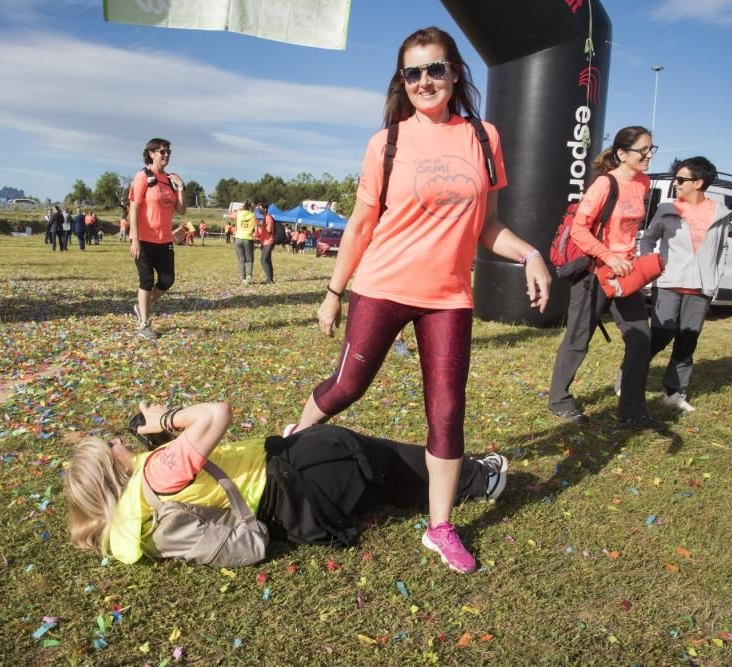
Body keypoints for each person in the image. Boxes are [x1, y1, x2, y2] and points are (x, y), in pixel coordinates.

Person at [284, 27, 549, 575]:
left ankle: (440, 527)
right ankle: (289, 449)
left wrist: (530, 254)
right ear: (401, 81)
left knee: (448, 413)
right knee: (346, 386)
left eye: (435, 69)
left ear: (454, 73)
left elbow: (488, 226)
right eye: (413, 73)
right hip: (380, 285)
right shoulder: (387, 142)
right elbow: (359, 225)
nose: (424, 81)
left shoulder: (484, 137)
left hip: (448, 297)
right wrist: (334, 293)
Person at [64, 400, 509, 566]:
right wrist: (163, 416)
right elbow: (217, 414)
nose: (119, 443)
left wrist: (161, 437)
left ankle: (470, 481)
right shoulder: (156, 468)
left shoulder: (136, 517)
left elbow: (198, 480)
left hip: (299, 516)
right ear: (112, 469)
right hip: (300, 474)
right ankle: (481, 477)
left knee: (386, 483)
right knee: (386, 456)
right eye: (110, 445)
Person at [547, 126, 662, 429]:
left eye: (652, 149)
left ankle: (633, 410)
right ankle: (558, 399)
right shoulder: (604, 184)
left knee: (640, 339)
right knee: (578, 338)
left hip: (627, 275)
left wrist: (630, 259)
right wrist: (608, 255)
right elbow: (579, 230)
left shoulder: (644, 183)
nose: (649, 155)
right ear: (622, 154)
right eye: (643, 150)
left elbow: (629, 230)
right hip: (594, 273)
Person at [639, 157, 731, 413]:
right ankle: (629, 376)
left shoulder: (720, 213)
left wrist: (715, 277)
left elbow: (723, 247)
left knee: (687, 341)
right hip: (669, 283)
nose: (675, 183)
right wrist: (650, 263)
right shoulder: (668, 209)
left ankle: (674, 393)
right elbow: (647, 240)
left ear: (699, 183)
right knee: (659, 336)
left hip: (700, 288)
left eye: (681, 179)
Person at [128, 137, 186, 341]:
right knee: (146, 281)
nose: (166, 155)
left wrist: (180, 187)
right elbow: (133, 208)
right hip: (143, 239)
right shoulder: (143, 176)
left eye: (168, 151)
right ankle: (144, 323)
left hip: (164, 240)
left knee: (167, 280)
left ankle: (141, 305)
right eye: (162, 151)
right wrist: (134, 238)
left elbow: (181, 209)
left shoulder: (169, 180)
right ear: (151, 153)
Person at [231, 201, 257, 284]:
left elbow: (231, 216)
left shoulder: (239, 213)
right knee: (249, 260)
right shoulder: (253, 215)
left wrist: (238, 210)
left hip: (238, 238)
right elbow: (256, 230)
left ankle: (243, 278)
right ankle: (249, 277)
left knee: (241, 260)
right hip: (248, 238)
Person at [257, 203, 276, 284]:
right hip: (265, 241)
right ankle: (270, 279)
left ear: (265, 209)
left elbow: (269, 230)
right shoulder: (265, 218)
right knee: (267, 260)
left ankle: (269, 279)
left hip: (269, 241)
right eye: (258, 209)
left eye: (260, 208)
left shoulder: (268, 217)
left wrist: (263, 226)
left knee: (263, 260)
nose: (259, 210)